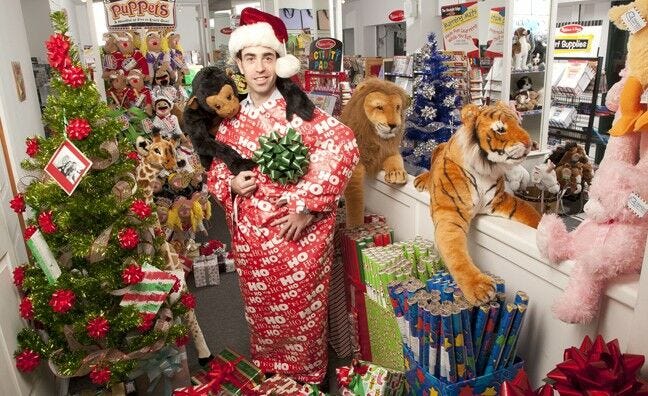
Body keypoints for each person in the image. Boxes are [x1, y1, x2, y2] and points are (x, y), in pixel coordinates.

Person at [206, 7, 359, 385]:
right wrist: (230, 185)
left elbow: (343, 147)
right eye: (250, 58)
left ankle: (306, 380)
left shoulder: (302, 113)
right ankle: (272, 374)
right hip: (252, 246)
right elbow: (214, 173)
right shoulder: (232, 122)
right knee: (261, 314)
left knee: (301, 313)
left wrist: (307, 207)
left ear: (280, 61)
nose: (259, 68)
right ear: (238, 64)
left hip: (297, 241)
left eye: (268, 57)